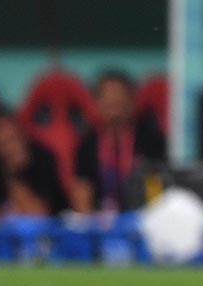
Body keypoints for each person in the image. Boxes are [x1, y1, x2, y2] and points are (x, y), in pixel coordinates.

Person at [71, 72, 166, 213]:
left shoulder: (152, 141)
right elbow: (82, 197)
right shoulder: (86, 145)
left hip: (142, 221)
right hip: (99, 224)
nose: (113, 100)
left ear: (132, 101)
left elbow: (157, 196)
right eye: (107, 98)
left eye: (119, 97)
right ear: (97, 103)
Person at [0, 110, 67, 219]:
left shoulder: (43, 158)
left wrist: (12, 175)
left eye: (11, 140)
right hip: (6, 232)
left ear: (21, 134)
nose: (8, 148)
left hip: (50, 230)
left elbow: (38, 214)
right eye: (2, 143)